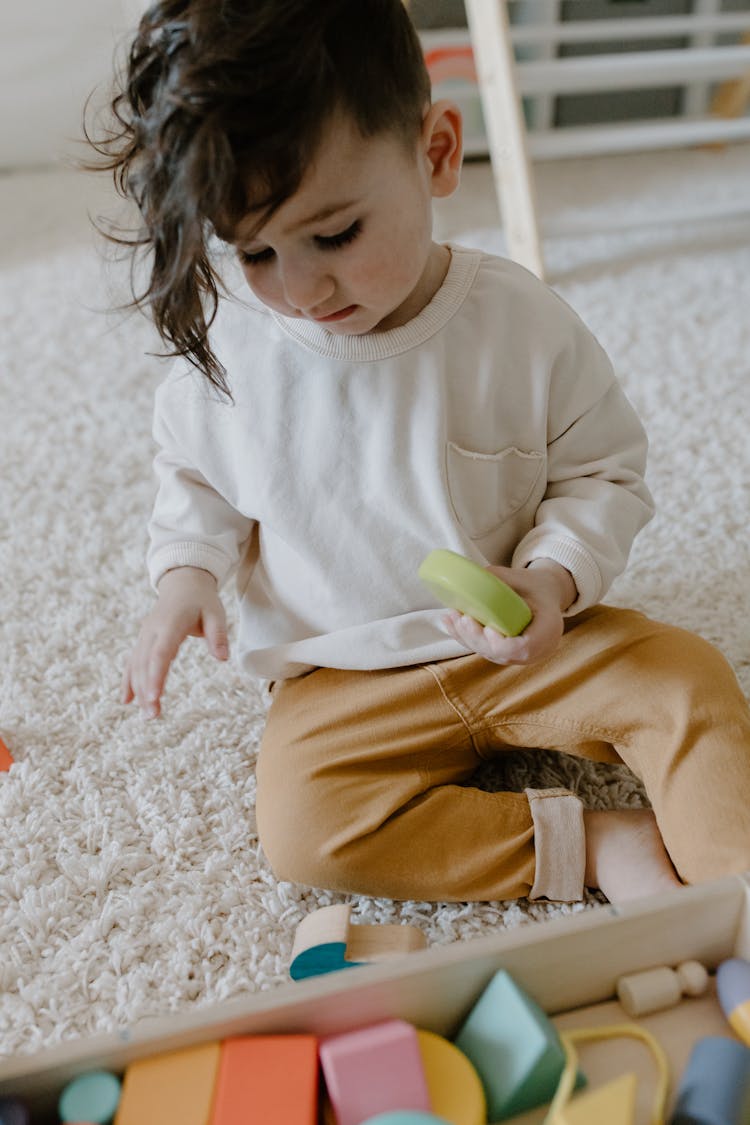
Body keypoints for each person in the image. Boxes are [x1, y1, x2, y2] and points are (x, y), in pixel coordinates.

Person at [91, 0, 750, 906]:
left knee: (688, 683)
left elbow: (599, 472)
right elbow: (196, 475)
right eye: (255, 254)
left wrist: (551, 580)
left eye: (336, 235)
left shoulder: (520, 324)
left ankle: (736, 892)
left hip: (527, 639)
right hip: (344, 673)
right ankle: (589, 844)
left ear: (437, 153)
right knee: (303, 827)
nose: (301, 286)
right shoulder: (237, 357)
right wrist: (187, 577)